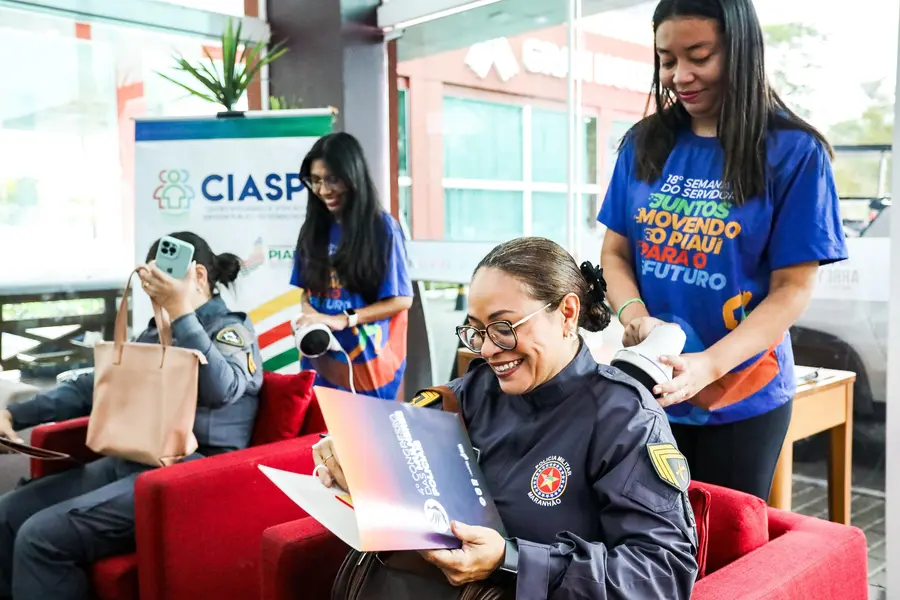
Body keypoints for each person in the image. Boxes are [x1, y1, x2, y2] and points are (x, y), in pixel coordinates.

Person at [313, 237, 698, 599]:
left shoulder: (625, 419)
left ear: (567, 313)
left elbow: (661, 574)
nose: (489, 349)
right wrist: (356, 459)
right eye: (477, 331)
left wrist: (508, 560)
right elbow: (397, 451)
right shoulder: (470, 393)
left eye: (503, 327)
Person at [597, 0, 848, 501]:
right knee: (651, 545)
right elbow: (616, 254)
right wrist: (634, 313)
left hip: (741, 396)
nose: (680, 75)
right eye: (667, 60)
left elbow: (792, 290)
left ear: (741, 52)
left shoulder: (794, 152)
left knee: (726, 553)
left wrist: (709, 365)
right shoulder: (645, 143)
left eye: (699, 56)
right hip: (648, 390)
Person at [0, 232, 263, 600]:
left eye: (166, 277)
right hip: (133, 460)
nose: (156, 287)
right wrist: (14, 413)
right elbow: (95, 385)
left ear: (199, 276)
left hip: (190, 474)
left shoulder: (231, 330)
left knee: (40, 537)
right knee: (8, 513)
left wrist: (182, 313)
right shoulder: (156, 330)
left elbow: (222, 389)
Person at [291, 132, 413, 400]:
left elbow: (402, 300)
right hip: (320, 360)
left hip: (368, 368)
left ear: (353, 176)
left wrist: (342, 319)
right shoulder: (312, 230)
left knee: (366, 439)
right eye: (316, 181)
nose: (324, 190)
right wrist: (310, 315)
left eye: (332, 179)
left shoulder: (382, 229)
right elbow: (306, 291)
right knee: (319, 437)